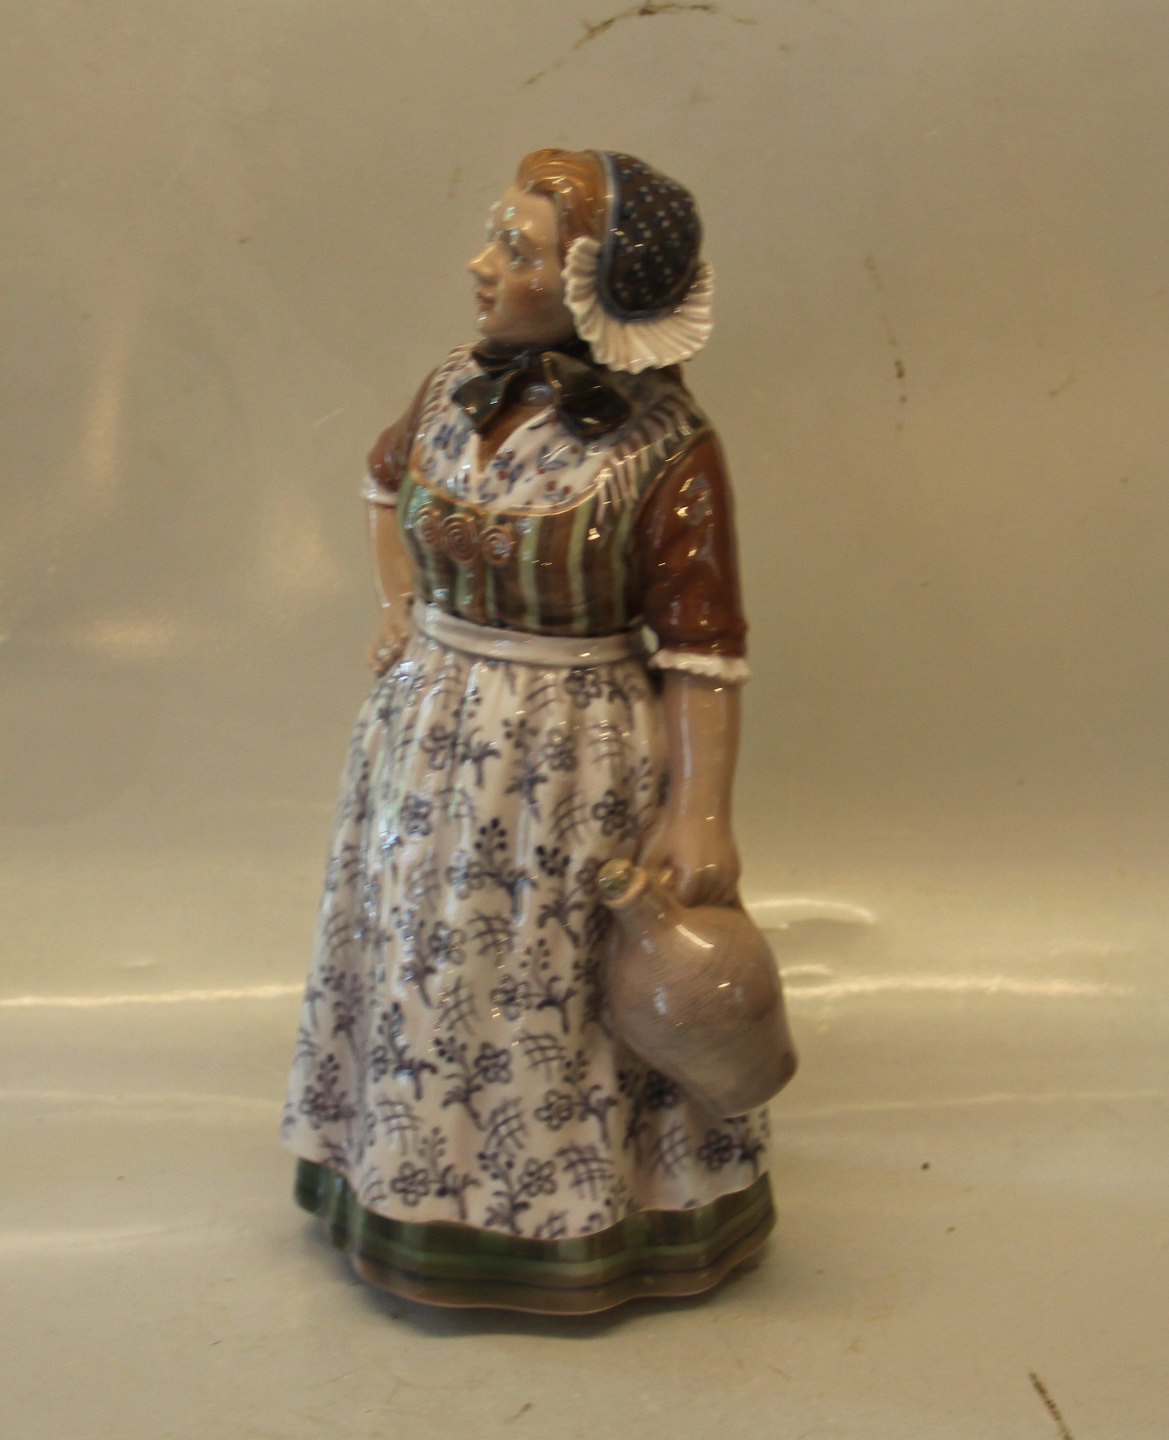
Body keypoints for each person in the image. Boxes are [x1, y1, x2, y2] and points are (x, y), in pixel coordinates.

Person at [282, 149, 772, 1313]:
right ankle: (411, 1178)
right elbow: (382, 482)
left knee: (548, 976)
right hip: (427, 735)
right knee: (426, 952)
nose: (481, 264)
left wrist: (699, 810)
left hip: (569, 759)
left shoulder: (666, 448)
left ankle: (572, 1211)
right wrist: (400, 604)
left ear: (592, 288)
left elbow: (702, 650)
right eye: (495, 236)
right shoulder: (453, 386)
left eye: (516, 248)